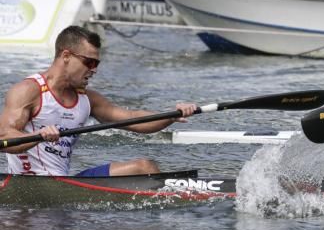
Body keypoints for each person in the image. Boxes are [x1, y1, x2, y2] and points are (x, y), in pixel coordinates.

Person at [0, 26, 197, 176]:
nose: (94, 70)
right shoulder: (28, 91)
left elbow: (133, 119)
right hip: (28, 183)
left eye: (97, 63)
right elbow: (4, 138)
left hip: (63, 183)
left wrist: (171, 115)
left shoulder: (87, 99)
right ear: (66, 56)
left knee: (145, 168)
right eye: (90, 62)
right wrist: (37, 135)